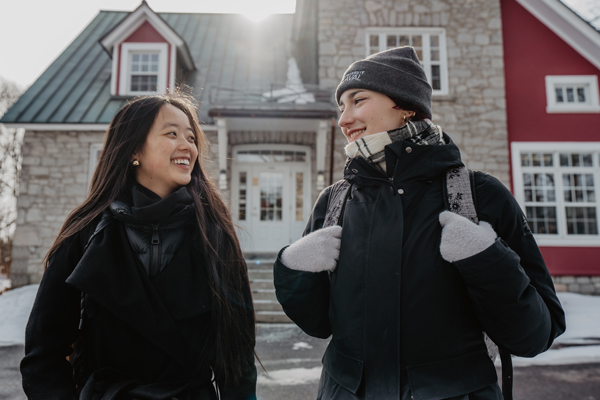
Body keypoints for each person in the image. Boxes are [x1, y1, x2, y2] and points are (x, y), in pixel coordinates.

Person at [273, 47, 565, 400]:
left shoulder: (479, 195)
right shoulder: (335, 202)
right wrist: (294, 269)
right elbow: (318, 325)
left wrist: (487, 260)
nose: (343, 119)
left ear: (406, 106)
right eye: (341, 107)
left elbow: (534, 335)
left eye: (358, 100)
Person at [21, 92, 257, 400]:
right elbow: (43, 352)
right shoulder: (85, 232)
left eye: (191, 136)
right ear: (134, 148)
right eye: (172, 133)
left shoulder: (215, 233)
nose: (188, 145)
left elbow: (236, 357)